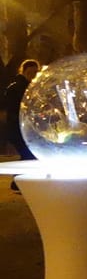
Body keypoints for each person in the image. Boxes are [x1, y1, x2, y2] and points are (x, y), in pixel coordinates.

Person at [5, 59, 39, 192]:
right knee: (28, 155)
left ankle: (18, 183)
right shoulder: (17, 87)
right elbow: (12, 109)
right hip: (18, 129)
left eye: (35, 72)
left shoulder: (31, 87)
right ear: (23, 71)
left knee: (28, 155)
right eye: (30, 72)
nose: (33, 75)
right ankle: (17, 182)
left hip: (25, 129)